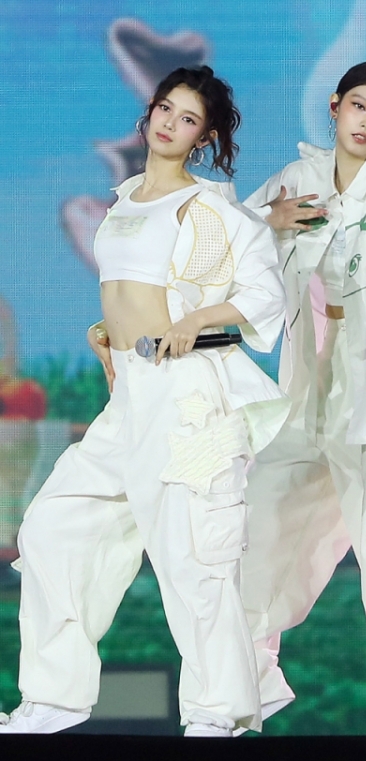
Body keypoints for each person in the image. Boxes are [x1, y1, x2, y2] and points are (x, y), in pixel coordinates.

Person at [0, 66, 286, 737]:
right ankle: (53, 698)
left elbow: (263, 296)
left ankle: (217, 713)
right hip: (129, 394)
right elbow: (128, 289)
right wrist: (106, 330)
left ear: (204, 137)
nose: (168, 123)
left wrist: (196, 319)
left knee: (194, 557)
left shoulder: (213, 209)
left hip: (188, 394)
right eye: (164, 108)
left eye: (187, 119)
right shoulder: (125, 200)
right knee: (52, 529)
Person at [238, 61, 366, 735]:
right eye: (359, 107)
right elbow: (224, 243)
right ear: (334, 106)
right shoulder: (297, 179)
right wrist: (267, 219)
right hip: (306, 387)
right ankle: (237, 694)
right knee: (256, 531)